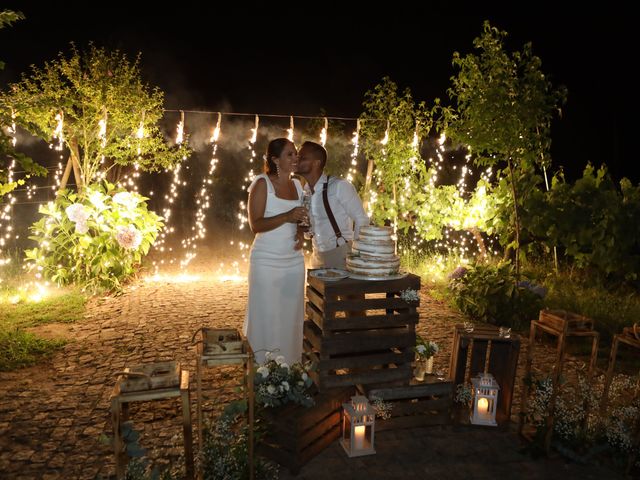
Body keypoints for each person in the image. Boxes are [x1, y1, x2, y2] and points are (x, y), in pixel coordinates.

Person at [243, 138, 308, 365]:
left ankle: (290, 369)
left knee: (291, 317)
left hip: (294, 261)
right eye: (290, 154)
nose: (295, 158)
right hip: (266, 261)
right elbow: (255, 225)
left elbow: (300, 219)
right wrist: (287, 216)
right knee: (266, 317)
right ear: (275, 159)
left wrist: (300, 231)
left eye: (296, 154)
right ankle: (263, 371)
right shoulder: (262, 184)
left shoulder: (298, 185)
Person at [295, 141, 369, 269]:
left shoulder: (339, 186)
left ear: (316, 163)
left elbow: (361, 219)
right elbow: (310, 232)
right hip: (317, 256)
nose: (297, 160)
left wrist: (356, 254)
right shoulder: (305, 191)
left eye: (303, 158)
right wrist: (307, 230)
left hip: (341, 254)